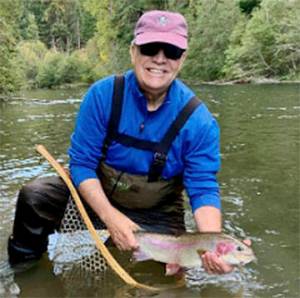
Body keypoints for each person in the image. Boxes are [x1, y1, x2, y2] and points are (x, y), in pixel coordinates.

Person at [8, 10, 235, 275]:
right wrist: (109, 217)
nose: (159, 59)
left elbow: (203, 187)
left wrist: (212, 244)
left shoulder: (199, 122)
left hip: (157, 213)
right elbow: (81, 165)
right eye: (150, 47)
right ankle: (24, 272)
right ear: (133, 51)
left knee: (167, 281)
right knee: (35, 197)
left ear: (182, 59)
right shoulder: (102, 96)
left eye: (171, 52)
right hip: (95, 195)